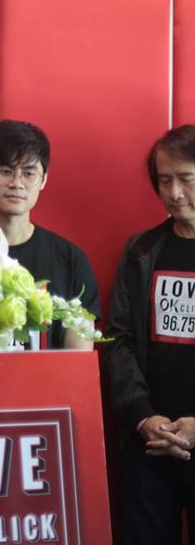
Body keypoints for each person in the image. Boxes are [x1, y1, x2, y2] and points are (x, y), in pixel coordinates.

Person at [106, 124, 195, 544]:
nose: (174, 193)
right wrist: (143, 416)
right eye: (164, 180)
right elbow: (119, 339)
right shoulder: (141, 252)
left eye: (186, 179)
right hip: (149, 442)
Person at [0, 120, 99, 349]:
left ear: (44, 179)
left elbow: (78, 359)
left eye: (28, 173)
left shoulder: (71, 260)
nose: (17, 183)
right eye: (5, 171)